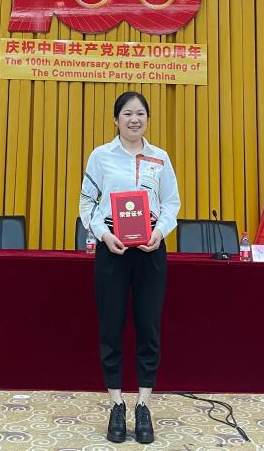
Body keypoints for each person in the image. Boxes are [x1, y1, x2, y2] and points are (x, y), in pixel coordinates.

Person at [80, 91, 181, 445]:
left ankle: (143, 405)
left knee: (148, 327)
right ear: (116, 119)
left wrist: (159, 232)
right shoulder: (101, 156)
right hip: (113, 249)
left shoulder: (160, 158)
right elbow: (87, 202)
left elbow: (171, 203)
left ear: (147, 119)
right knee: (111, 327)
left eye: (140, 113)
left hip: (150, 250)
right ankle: (116, 404)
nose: (134, 119)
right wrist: (104, 235)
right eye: (127, 113)